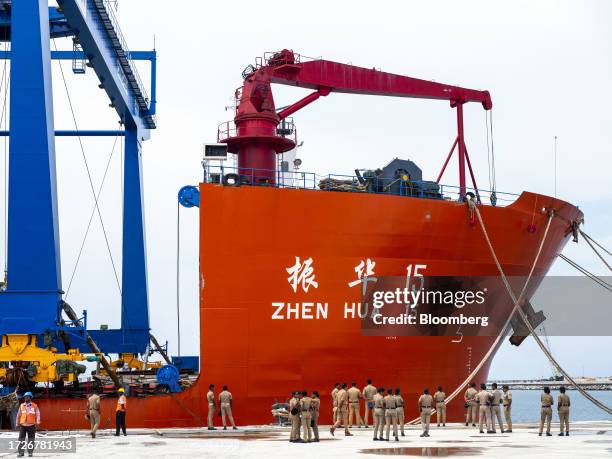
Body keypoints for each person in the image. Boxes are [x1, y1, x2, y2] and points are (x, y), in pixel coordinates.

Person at [16, 392, 40, 457]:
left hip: (31, 426)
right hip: (22, 425)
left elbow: (38, 414)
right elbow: (18, 415)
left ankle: (30, 453)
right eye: (25, 397)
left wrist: (37, 422)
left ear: (30, 398)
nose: (26, 398)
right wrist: (17, 423)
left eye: (27, 397)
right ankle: (21, 453)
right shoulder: (21, 405)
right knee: (21, 439)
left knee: (31, 439)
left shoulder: (35, 406)